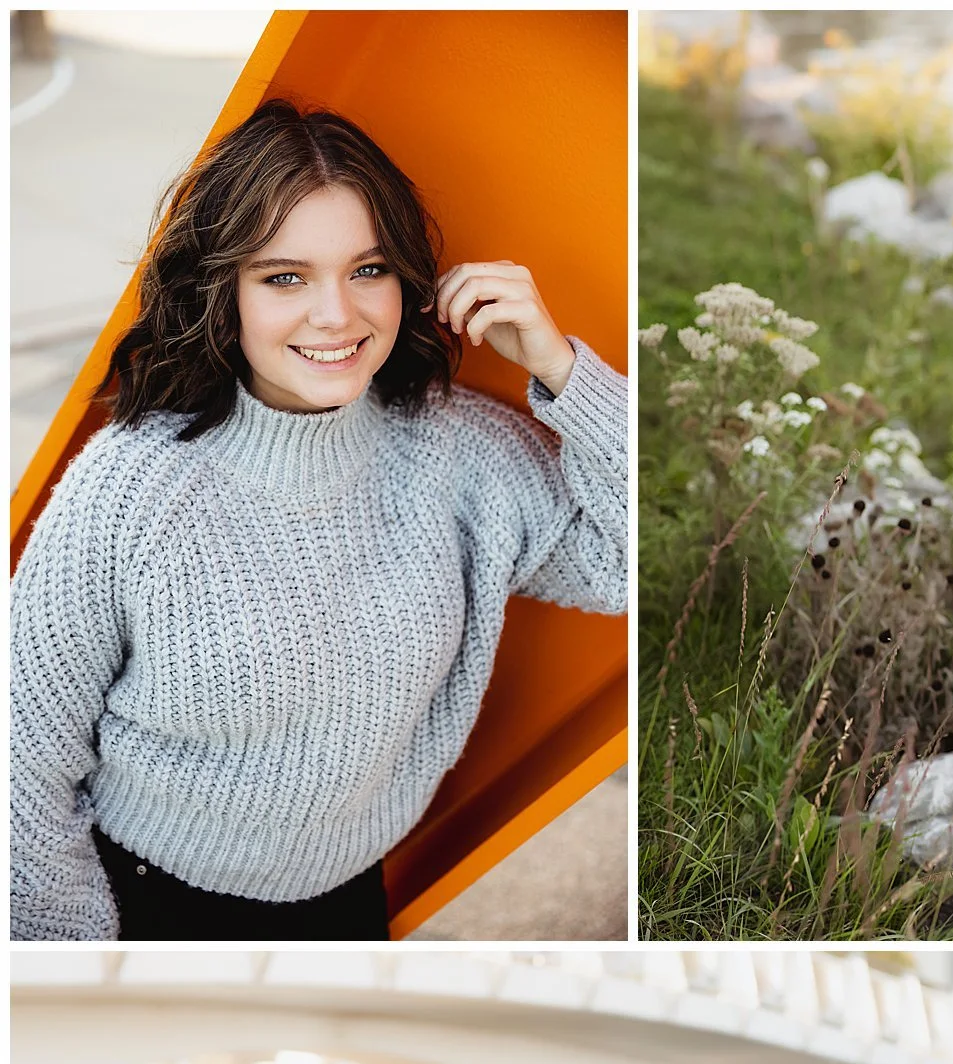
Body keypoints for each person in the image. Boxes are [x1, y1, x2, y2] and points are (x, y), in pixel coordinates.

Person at [10, 99, 627, 941]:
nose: (336, 315)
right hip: (137, 907)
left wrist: (563, 371)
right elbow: (22, 755)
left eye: (367, 270)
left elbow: (635, 562)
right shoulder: (130, 490)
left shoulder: (460, 457)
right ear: (223, 290)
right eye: (285, 277)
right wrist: (75, 952)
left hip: (346, 906)